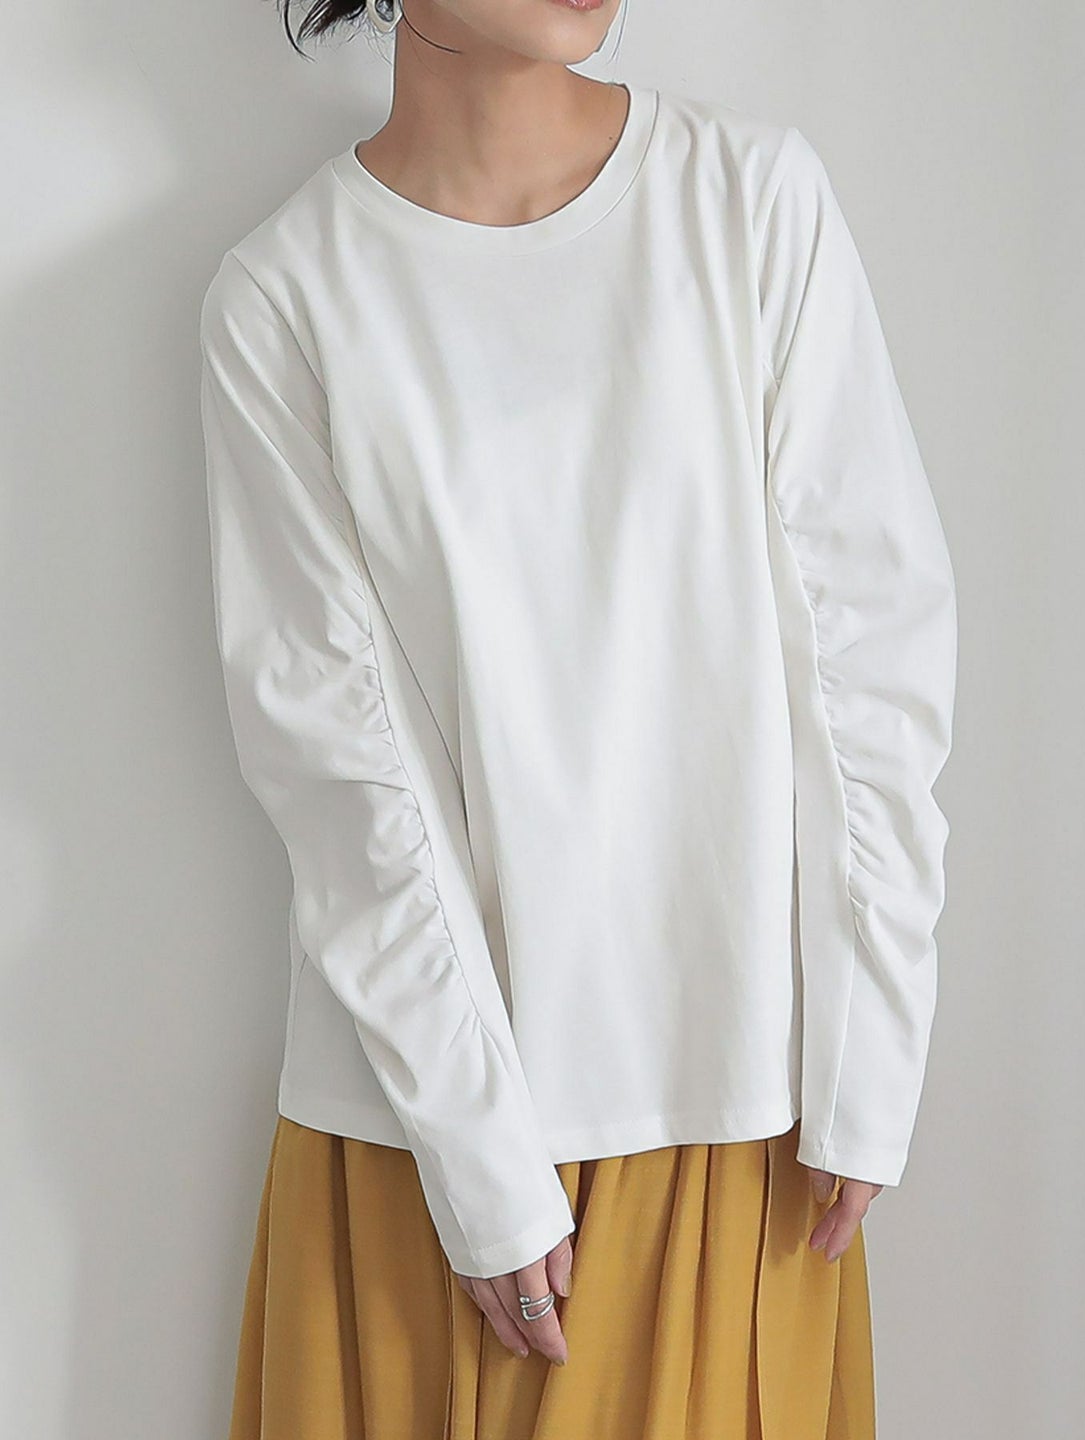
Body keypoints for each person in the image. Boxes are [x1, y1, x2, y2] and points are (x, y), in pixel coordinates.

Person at [197, 2, 958, 1436]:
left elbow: (873, 646)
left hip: (738, 1103)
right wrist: (481, 1164)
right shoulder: (286, 295)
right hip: (425, 1138)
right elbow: (336, 759)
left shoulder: (748, 199)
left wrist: (871, 1048)